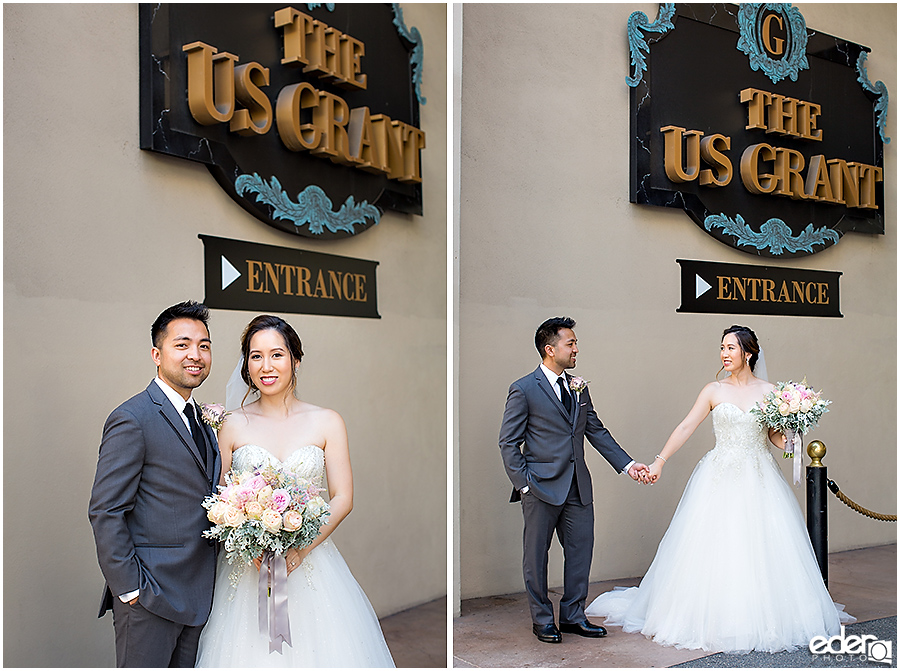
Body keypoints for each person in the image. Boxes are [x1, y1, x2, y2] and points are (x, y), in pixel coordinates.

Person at [585, 325, 854, 652]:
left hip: (759, 477)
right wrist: (659, 461)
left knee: (762, 548)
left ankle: (763, 618)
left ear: (748, 353)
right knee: (717, 546)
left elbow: (774, 437)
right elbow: (686, 425)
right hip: (719, 475)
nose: (725, 354)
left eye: (731, 348)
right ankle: (711, 617)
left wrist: (792, 439)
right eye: (722, 348)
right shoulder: (713, 390)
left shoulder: (770, 392)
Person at [195, 314, 394, 667]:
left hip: (311, 561)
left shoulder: (327, 421)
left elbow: (343, 497)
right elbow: (219, 498)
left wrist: (301, 549)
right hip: (248, 567)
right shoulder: (230, 424)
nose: (266, 366)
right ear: (246, 365)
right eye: (255, 356)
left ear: (295, 360)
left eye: (277, 354)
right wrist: (246, 539)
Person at [499, 317, 651, 644]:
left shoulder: (578, 386)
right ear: (550, 349)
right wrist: (525, 484)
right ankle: (543, 621)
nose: (576, 349)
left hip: (578, 486)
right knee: (536, 558)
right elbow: (508, 442)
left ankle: (572, 615)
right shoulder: (523, 389)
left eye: (576, 343)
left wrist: (628, 465)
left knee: (581, 553)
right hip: (539, 487)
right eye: (571, 343)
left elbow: (595, 430)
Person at [89, 301, 220, 667]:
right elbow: (105, 510)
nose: (195, 354)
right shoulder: (133, 418)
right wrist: (130, 589)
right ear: (156, 354)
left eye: (204, 345)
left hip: (199, 594)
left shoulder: (204, 420)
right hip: (150, 597)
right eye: (182, 345)